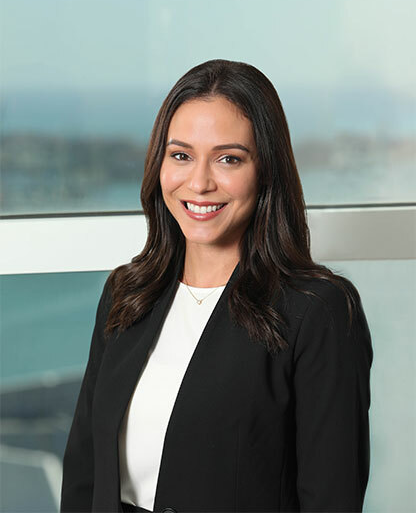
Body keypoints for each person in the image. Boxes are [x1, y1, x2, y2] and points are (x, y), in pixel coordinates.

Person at [60, 59, 373, 513]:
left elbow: (331, 499)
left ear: (266, 170)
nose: (200, 182)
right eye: (181, 155)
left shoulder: (318, 313)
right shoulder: (127, 294)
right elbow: (84, 473)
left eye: (229, 159)